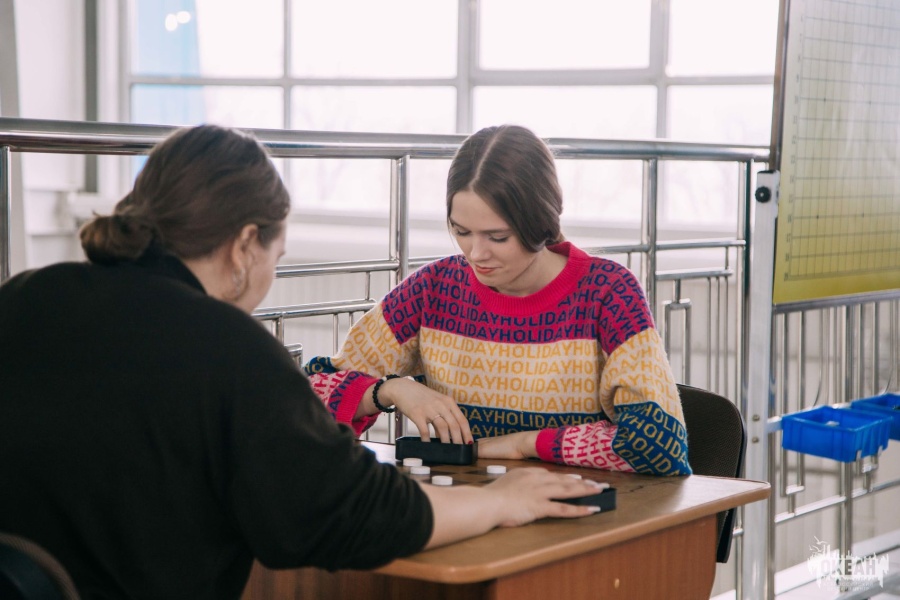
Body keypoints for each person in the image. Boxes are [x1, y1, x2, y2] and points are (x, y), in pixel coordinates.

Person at [0, 124, 607, 600]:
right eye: (277, 256)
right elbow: (349, 512)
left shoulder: (26, 296)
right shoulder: (230, 350)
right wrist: (501, 500)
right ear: (245, 245)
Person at [305, 124, 692, 477]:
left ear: (540, 222)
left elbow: (659, 444)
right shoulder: (432, 289)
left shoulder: (608, 293)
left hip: (580, 517)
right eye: (462, 232)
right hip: (464, 514)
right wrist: (390, 390)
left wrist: (524, 445)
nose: (476, 254)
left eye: (498, 237)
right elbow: (307, 398)